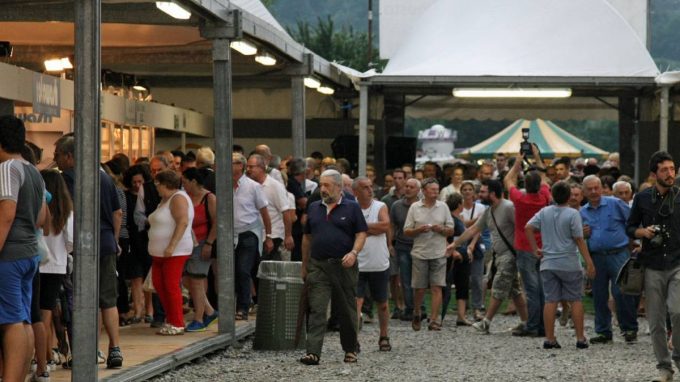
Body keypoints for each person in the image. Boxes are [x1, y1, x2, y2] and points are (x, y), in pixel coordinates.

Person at [54, 133, 123, 368]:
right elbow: (117, 213)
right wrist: (114, 240)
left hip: (79, 246)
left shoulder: (64, 180)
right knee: (108, 299)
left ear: (70, 156)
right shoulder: (104, 178)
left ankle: (90, 349)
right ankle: (115, 348)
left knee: (84, 300)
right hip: (105, 243)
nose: (57, 161)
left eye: (58, 156)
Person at [299, 169, 367, 365]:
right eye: (321, 185)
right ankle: (313, 352)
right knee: (317, 308)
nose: (322, 189)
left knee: (346, 310)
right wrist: (305, 265)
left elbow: (361, 233)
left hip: (343, 266)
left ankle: (350, 349)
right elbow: (307, 238)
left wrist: (353, 253)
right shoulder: (313, 208)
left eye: (327, 185)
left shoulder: (352, 207)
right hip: (319, 266)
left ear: (338, 187)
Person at [626, 151, 680, 382]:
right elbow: (630, 227)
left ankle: (678, 356)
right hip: (652, 264)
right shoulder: (642, 198)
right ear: (653, 174)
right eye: (665, 170)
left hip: (678, 263)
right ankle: (664, 368)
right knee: (655, 320)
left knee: (678, 312)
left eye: (672, 169)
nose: (670, 174)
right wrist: (641, 232)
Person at [0, 116, 46, 381]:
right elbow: (41, 217)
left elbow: (6, 215)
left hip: (10, 255)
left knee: (10, 321)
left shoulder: (7, 168)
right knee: (24, 318)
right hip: (29, 254)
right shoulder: (32, 170)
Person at [449, 179, 528, 334]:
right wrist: (455, 244)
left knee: (498, 286)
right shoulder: (489, 210)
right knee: (515, 291)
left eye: (483, 192)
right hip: (499, 255)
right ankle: (526, 322)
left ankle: (486, 322)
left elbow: (522, 228)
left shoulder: (508, 207)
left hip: (509, 255)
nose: (479, 194)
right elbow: (473, 229)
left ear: (492, 193)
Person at [525, 181, 596, 349]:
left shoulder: (544, 212)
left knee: (550, 300)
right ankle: (580, 338)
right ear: (569, 196)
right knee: (576, 300)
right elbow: (579, 239)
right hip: (569, 262)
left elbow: (528, 227)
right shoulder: (573, 214)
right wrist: (589, 262)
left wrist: (535, 249)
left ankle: (550, 338)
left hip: (548, 262)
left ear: (553, 196)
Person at [580, 175, 639, 344]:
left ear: (601, 188)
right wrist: (583, 235)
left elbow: (632, 222)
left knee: (621, 292)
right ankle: (603, 331)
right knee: (599, 294)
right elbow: (577, 238)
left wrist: (633, 242)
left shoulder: (615, 204)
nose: (593, 192)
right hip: (597, 257)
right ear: (584, 191)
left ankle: (629, 328)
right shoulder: (582, 212)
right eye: (589, 189)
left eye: (596, 188)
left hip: (618, 253)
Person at [504, 150, 552, 337]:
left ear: (525, 185)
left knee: (531, 289)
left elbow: (508, 180)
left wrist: (518, 162)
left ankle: (533, 325)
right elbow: (544, 177)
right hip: (543, 245)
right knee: (542, 288)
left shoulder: (520, 199)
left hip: (524, 246)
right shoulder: (544, 197)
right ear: (539, 185)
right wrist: (537, 157)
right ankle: (542, 324)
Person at [403, 178, 454, 331]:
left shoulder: (443, 207)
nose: (435, 192)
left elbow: (451, 230)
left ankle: (434, 319)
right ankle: (417, 312)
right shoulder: (414, 207)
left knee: (437, 287)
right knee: (419, 288)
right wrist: (418, 230)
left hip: (438, 252)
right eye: (432, 190)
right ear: (424, 191)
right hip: (420, 253)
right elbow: (406, 231)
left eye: (437, 190)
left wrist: (441, 230)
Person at [147, 170, 194, 335]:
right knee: (160, 285)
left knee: (171, 286)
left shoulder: (178, 198)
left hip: (174, 252)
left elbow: (183, 222)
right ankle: (171, 318)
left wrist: (171, 246)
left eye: (157, 183)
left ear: (165, 183)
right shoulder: (165, 200)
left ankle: (177, 322)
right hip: (160, 253)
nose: (156, 187)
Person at [232, 153, 273, 320]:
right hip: (229, 233)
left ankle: (243, 306)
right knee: (233, 271)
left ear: (240, 166)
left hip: (248, 232)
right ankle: (238, 303)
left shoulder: (253, 186)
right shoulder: (222, 185)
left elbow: (264, 212)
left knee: (243, 269)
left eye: (232, 162)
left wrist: (268, 235)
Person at [352, 177, 392, 351]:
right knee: (356, 303)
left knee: (382, 303)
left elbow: (385, 226)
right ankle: (353, 338)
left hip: (378, 262)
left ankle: (384, 335)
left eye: (370, 186)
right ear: (356, 192)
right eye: (365, 187)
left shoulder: (380, 206)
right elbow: (348, 228)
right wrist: (370, 229)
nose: (370, 190)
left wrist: (360, 228)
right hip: (357, 262)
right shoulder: (351, 207)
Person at [181, 168, 219, 332]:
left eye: (185, 181)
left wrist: (209, 243)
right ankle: (209, 311)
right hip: (188, 243)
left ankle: (199, 317)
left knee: (196, 280)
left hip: (203, 242)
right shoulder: (185, 197)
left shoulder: (209, 198)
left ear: (193, 182)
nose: (183, 184)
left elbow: (217, 222)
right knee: (187, 280)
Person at [247, 154, 294, 260]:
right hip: (255, 234)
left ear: (261, 167)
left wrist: (288, 236)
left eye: (251, 167)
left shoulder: (275, 186)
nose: (248, 170)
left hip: (273, 235)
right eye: (247, 166)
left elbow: (286, 212)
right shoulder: (249, 185)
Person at [121, 164, 153, 324]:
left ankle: (149, 309)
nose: (137, 185)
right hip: (132, 241)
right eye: (134, 182)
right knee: (135, 276)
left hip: (146, 240)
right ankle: (139, 310)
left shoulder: (148, 195)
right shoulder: (126, 196)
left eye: (140, 181)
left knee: (148, 276)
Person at [389, 178, 422, 321]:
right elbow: (392, 226)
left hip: (420, 246)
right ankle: (409, 308)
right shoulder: (396, 206)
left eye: (412, 187)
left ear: (418, 190)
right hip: (402, 246)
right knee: (405, 279)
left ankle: (420, 307)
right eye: (407, 186)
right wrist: (389, 244)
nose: (408, 189)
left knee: (420, 280)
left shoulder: (422, 206)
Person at [459, 180, 487, 321]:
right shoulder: (459, 207)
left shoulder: (481, 207)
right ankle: (463, 309)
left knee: (477, 278)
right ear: (461, 192)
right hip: (461, 241)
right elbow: (462, 224)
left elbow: (479, 228)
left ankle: (477, 307)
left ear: (474, 192)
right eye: (465, 189)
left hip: (476, 242)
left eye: (470, 189)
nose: (467, 192)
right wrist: (475, 222)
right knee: (463, 278)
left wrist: (472, 244)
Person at [445, 192, 473, 325]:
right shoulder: (450, 220)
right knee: (446, 284)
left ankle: (461, 316)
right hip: (453, 258)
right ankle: (440, 314)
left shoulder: (459, 219)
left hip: (463, 256)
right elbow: (447, 238)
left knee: (463, 285)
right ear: (459, 205)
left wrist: (467, 249)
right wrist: (454, 251)